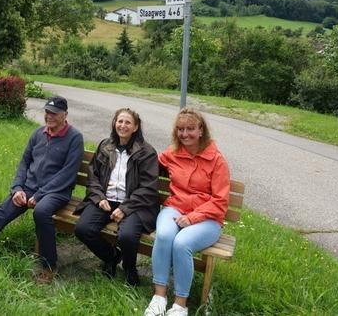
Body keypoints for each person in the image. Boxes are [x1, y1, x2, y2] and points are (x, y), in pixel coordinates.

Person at [0, 96, 84, 284]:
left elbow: (67, 174)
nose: (49, 116)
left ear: (65, 115)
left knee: (42, 212)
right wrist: (17, 189)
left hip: (56, 191)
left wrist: (40, 195)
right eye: (47, 112)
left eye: (54, 113)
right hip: (29, 188)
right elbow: (24, 163)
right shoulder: (38, 133)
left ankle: (48, 266)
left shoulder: (74, 138)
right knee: (1, 213)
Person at [144, 107, 230, 316]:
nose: (185, 134)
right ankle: (159, 297)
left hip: (207, 219)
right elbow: (148, 162)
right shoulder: (173, 153)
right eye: (180, 129)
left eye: (190, 129)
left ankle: (180, 304)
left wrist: (192, 218)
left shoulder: (217, 160)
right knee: (164, 236)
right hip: (175, 208)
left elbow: (220, 201)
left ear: (201, 130)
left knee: (182, 243)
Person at [74, 108, 159, 286]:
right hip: (106, 200)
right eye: (120, 121)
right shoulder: (105, 146)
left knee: (127, 236)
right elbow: (93, 176)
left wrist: (124, 208)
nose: (123, 125)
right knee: (83, 228)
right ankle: (112, 256)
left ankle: (130, 268)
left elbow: (148, 188)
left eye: (128, 122)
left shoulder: (146, 152)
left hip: (134, 204)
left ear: (136, 127)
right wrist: (99, 198)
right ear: (114, 123)